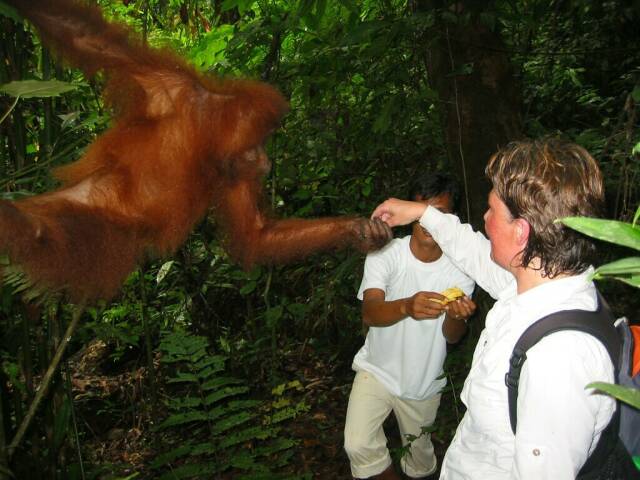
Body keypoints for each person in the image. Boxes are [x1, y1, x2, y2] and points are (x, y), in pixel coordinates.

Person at [371, 138, 615, 479]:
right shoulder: (537, 287)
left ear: (520, 232)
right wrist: (422, 213)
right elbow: (471, 250)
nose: (483, 219)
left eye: (491, 211)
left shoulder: (559, 356)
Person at [344, 173, 476, 480]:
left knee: (419, 461)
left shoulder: (461, 266)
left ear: (452, 219)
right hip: (377, 369)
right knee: (358, 444)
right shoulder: (386, 253)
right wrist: (406, 305)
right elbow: (370, 312)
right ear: (409, 215)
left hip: (423, 381)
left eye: (439, 214)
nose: (429, 223)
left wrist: (456, 316)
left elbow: (452, 337)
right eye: (422, 213)